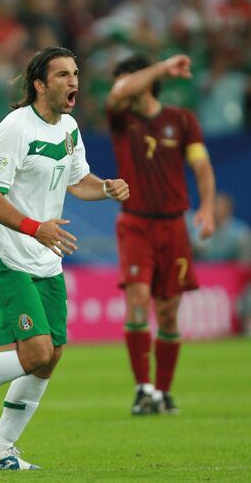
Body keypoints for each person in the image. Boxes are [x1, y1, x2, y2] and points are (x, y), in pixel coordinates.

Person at [0, 46, 129, 470]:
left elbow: (77, 180)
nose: (74, 82)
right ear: (39, 84)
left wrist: (106, 187)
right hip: (6, 251)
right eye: (63, 75)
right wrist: (36, 227)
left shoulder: (68, 128)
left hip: (45, 257)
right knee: (34, 352)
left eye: (75, 73)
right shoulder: (14, 129)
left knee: (52, 355)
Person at [106, 53, 216, 415]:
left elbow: (201, 166)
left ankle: (163, 393)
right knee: (138, 300)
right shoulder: (121, 118)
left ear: (146, 82)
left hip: (173, 226)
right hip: (135, 223)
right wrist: (162, 67)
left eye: (127, 80)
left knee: (168, 312)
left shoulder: (181, 120)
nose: (120, 88)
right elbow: (116, 95)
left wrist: (207, 207)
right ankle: (143, 388)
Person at [188, 192, 251, 263]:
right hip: (202, 271)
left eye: (221, 207)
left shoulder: (242, 232)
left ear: (229, 209)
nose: (216, 209)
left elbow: (245, 263)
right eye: (214, 205)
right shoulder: (197, 227)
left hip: (231, 272)